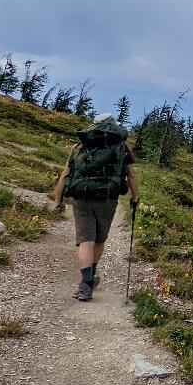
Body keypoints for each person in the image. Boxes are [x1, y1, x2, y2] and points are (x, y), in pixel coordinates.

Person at [52, 114, 139, 301]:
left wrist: (58, 200)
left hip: (81, 197)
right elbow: (130, 175)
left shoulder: (80, 146)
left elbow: (65, 174)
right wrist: (134, 197)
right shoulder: (122, 147)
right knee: (99, 240)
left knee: (85, 240)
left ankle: (85, 283)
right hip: (107, 199)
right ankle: (91, 274)